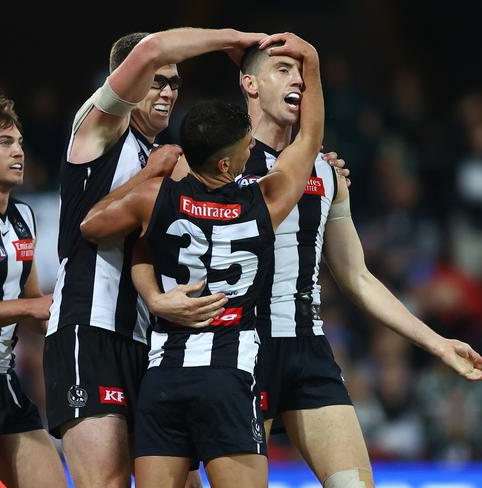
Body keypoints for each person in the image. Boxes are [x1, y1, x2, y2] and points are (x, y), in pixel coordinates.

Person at [180, 35, 482, 488]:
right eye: (283, 70)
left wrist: (438, 343)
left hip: (307, 350)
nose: (298, 81)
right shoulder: (215, 164)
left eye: (302, 72)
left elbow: (357, 277)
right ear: (249, 84)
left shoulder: (326, 172)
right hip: (238, 350)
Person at [79, 32, 324, 488]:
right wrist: (309, 60)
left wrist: (149, 175)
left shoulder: (158, 199)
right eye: (248, 148)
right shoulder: (264, 203)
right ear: (229, 166)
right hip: (228, 376)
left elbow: (90, 224)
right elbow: (310, 138)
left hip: (163, 377)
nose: (255, 152)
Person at [43, 27, 266, 488]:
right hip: (92, 324)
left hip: (154, 338)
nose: (167, 91)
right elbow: (150, 49)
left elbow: (237, 172)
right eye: (157, 81)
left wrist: (320, 169)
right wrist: (229, 39)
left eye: (175, 83)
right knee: (106, 483)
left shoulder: (170, 156)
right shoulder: (99, 129)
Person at [0, 96, 67, 487]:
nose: (18, 150)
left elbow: (35, 304)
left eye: (19, 141)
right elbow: (31, 304)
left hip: (3, 380)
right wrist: (32, 306)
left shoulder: (23, 216)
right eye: (4, 141)